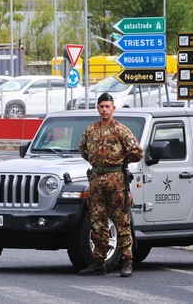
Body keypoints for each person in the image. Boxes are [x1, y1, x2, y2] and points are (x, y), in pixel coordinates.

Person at [78, 93, 144, 277]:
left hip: (116, 180)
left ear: (113, 108)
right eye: (101, 106)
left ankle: (127, 261)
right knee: (97, 222)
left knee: (122, 220)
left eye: (108, 106)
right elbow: (83, 150)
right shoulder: (90, 130)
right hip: (97, 179)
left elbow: (137, 153)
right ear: (97, 108)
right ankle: (99, 262)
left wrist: (120, 162)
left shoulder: (121, 130)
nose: (104, 110)